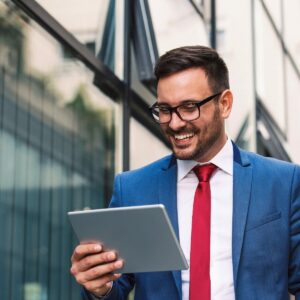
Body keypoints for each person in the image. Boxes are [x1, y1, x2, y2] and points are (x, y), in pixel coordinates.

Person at [70, 45, 300, 300]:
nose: (175, 123)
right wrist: (99, 288)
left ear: (224, 104)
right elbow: (116, 287)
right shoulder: (133, 189)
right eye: (165, 110)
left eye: (189, 107)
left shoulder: (283, 183)